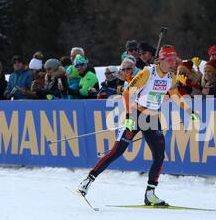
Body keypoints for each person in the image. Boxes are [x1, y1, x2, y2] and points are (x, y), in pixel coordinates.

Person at [78, 45, 200, 206]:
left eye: (175, 60)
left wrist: (188, 110)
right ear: (161, 59)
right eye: (170, 60)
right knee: (117, 151)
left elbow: (175, 95)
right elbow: (128, 93)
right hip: (136, 115)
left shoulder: (171, 76)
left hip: (152, 118)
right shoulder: (147, 73)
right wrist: (128, 116)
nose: (173, 63)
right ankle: (88, 181)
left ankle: (150, 194)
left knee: (159, 156)